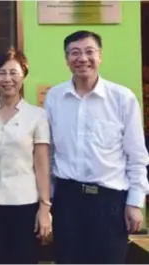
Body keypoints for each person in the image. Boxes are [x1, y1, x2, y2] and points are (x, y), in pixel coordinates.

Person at [45, 30, 149, 263]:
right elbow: (49, 153)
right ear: (67, 60)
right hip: (67, 201)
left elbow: (137, 155)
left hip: (110, 203)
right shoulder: (55, 97)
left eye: (89, 51)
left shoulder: (123, 98)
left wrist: (134, 202)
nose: (82, 58)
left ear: (100, 56)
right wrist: (47, 202)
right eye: (75, 53)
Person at [0, 48, 51, 264]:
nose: (8, 79)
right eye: (1, 73)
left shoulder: (37, 116)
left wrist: (44, 208)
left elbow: (42, 165)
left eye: (14, 73)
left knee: (25, 258)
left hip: (25, 203)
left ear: (23, 76)